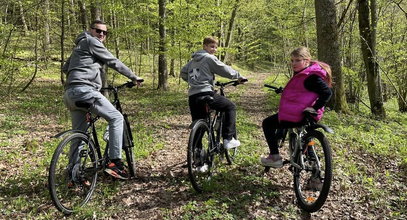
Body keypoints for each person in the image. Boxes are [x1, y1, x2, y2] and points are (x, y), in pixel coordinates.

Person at [62, 20, 143, 180]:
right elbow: (113, 61)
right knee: (116, 117)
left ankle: (74, 174)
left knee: (79, 135)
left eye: (105, 33)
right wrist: (134, 77)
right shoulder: (91, 41)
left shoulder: (78, 46)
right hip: (86, 91)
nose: (101, 35)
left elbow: (66, 68)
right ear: (90, 30)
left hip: (70, 93)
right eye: (98, 31)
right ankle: (115, 163)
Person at [260, 46, 332, 168]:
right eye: (292, 60)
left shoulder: (311, 77)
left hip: (298, 115)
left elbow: (327, 93)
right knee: (307, 137)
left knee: (267, 123)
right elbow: (304, 91)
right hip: (307, 115)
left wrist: (315, 107)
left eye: (297, 60)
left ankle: (274, 157)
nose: (294, 63)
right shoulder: (307, 73)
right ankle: (314, 167)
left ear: (307, 60)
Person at [181, 36, 247, 150]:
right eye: (212, 46)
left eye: (216, 47)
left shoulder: (192, 61)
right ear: (204, 46)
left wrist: (194, 82)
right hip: (206, 93)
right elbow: (223, 69)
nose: (214, 49)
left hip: (193, 96)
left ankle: (198, 159)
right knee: (230, 107)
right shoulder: (208, 58)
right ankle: (228, 139)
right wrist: (238, 76)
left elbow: (183, 73)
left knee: (199, 124)